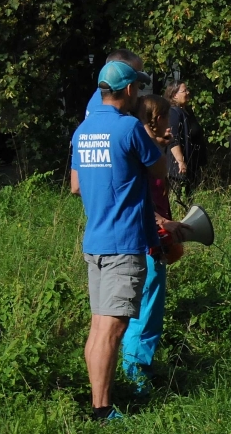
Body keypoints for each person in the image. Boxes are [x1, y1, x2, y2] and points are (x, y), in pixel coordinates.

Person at [70, 60, 164, 421]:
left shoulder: (83, 130)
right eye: (137, 88)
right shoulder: (129, 127)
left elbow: (76, 185)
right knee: (112, 328)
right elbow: (159, 168)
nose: (138, 93)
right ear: (128, 89)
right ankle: (102, 409)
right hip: (124, 242)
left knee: (99, 327)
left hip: (95, 240)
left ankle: (98, 402)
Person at [121, 94, 185, 396]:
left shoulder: (149, 148)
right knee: (144, 316)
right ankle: (135, 382)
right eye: (166, 117)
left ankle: (138, 372)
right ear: (155, 118)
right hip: (146, 242)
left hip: (153, 240)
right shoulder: (140, 151)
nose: (170, 124)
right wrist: (163, 223)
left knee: (148, 313)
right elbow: (137, 198)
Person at [163, 80, 207, 202]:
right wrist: (180, 161)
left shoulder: (187, 111)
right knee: (179, 199)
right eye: (184, 91)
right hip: (178, 169)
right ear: (174, 95)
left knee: (190, 199)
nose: (188, 93)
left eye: (187, 90)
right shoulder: (173, 112)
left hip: (192, 165)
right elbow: (173, 138)